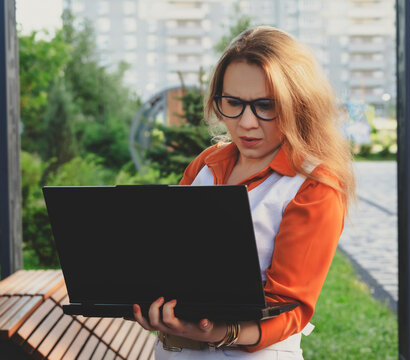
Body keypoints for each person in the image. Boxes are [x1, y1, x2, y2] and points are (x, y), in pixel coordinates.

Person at [133, 25, 355, 359]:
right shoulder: (206, 164)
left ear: (299, 105)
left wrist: (214, 331)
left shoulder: (313, 186)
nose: (246, 122)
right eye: (233, 103)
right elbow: (169, 258)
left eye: (266, 105)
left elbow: (290, 311)